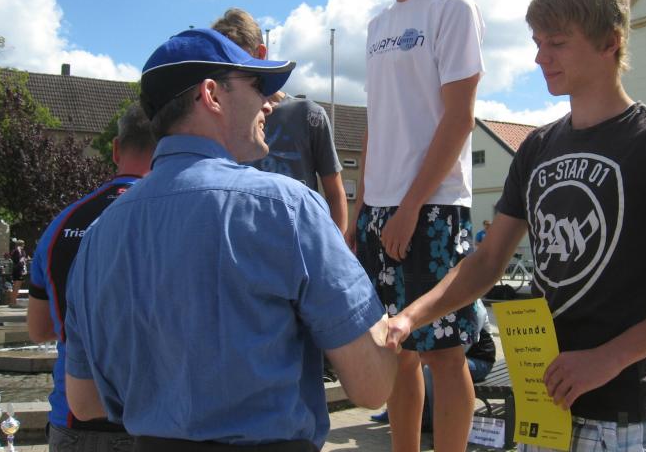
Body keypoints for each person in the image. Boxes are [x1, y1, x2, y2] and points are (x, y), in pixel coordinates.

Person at [386, 0, 646, 451]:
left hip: (620, 419)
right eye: (537, 42)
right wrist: (411, 317)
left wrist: (609, 358)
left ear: (610, 42)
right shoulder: (536, 147)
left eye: (556, 42)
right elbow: (487, 261)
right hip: (543, 407)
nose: (540, 57)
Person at [63, 28, 397, 451]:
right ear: (211, 95)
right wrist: (390, 328)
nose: (269, 103)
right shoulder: (287, 209)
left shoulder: (99, 235)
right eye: (258, 86)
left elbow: (85, 400)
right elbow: (371, 386)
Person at [334, 0, 485, 452]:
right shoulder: (378, 25)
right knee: (395, 350)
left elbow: (460, 117)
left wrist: (411, 206)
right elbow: (378, 121)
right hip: (381, 208)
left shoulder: (452, 8)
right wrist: (363, 209)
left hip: (435, 205)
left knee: (444, 352)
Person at [28, 103, 156, 451]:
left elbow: (40, 329)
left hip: (75, 419)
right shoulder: (169, 217)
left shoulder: (61, 224)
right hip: (153, 418)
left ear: (115, 149)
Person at [211, 8, 348, 233]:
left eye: (238, 61)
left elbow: (335, 194)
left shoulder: (309, 115)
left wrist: (336, 248)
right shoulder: (217, 118)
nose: (231, 72)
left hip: (302, 242)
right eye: (222, 65)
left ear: (260, 53)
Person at [371, 300, 496, 432]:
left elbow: (462, 349)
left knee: (430, 368)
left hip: (480, 361)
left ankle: (432, 420)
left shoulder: (477, 309)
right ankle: (402, 412)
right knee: (409, 363)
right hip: (463, 356)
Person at [8, 238, 28, 307]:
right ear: (21, 245)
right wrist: (25, 259)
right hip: (19, 270)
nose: (24, 246)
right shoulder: (20, 251)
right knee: (17, 287)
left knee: (15, 287)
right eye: (23, 244)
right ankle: (13, 303)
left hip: (15, 270)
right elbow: (21, 260)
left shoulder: (14, 251)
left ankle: (12, 302)